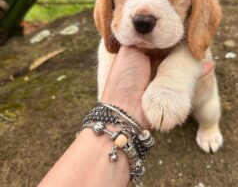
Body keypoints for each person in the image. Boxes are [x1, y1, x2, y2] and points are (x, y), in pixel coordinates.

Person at [38, 46, 213, 187]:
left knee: (209, 111)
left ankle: (210, 127)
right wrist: (117, 104)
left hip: (199, 96)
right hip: (131, 121)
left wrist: (170, 83)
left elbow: (198, 47)